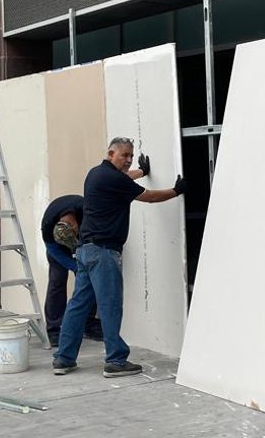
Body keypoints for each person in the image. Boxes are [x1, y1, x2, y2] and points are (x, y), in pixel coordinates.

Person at [53, 138, 184, 377]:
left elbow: (124, 180)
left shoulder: (96, 174)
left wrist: (142, 171)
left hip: (85, 251)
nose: (129, 159)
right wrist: (176, 191)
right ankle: (115, 360)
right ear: (110, 154)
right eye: (124, 155)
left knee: (78, 307)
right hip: (103, 252)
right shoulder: (112, 178)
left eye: (131, 156)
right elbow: (149, 196)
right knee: (110, 306)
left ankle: (63, 358)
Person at [40, 195, 104, 344]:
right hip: (57, 247)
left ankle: (88, 324)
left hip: (84, 240)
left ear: (75, 226)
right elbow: (53, 250)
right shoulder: (49, 224)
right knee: (57, 281)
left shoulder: (86, 212)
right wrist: (75, 266)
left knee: (89, 278)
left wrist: (83, 265)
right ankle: (54, 329)